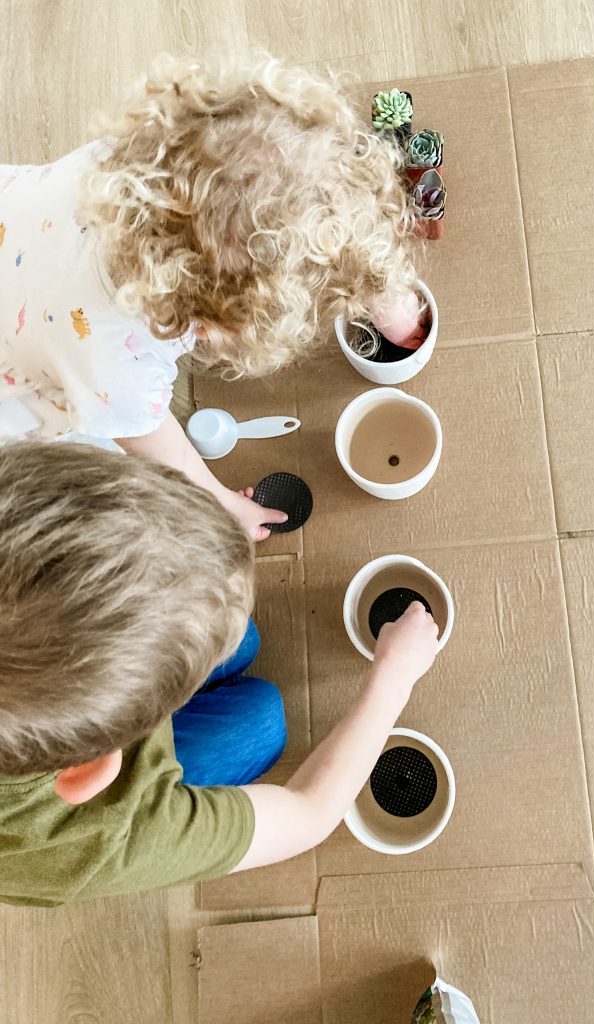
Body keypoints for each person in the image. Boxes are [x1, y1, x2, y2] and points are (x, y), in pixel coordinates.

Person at [0, 52, 424, 541]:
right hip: (30, 360)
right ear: (220, 324)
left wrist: (376, 285)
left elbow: (293, 195)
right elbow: (170, 454)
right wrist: (224, 506)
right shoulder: (120, 371)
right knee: (105, 466)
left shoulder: (138, 163)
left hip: (24, 230)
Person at [0, 441, 439, 905]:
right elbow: (306, 814)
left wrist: (211, 506)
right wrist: (394, 678)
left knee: (242, 639)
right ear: (95, 771)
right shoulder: (82, 844)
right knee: (262, 722)